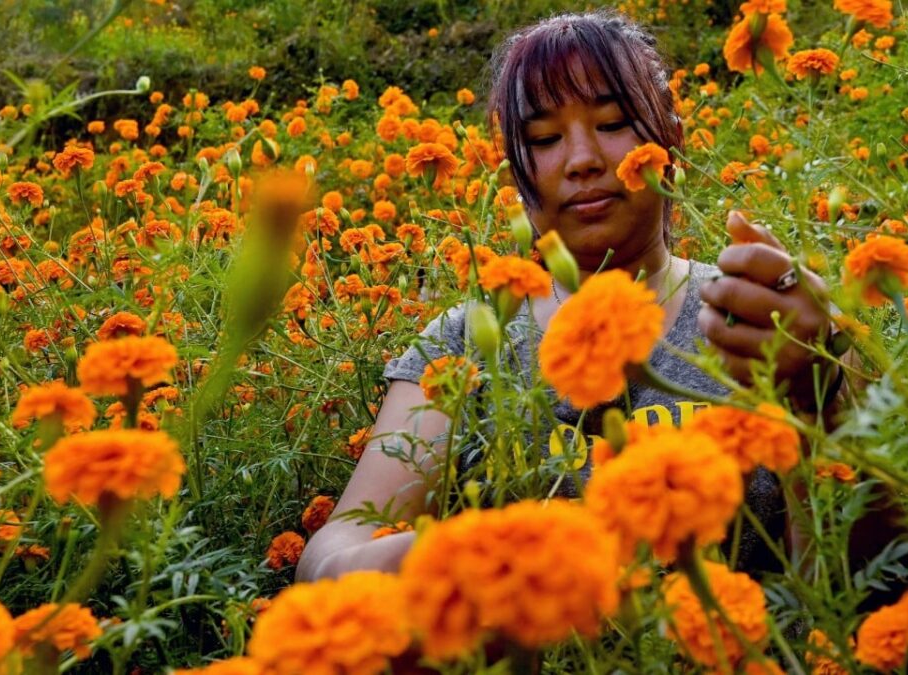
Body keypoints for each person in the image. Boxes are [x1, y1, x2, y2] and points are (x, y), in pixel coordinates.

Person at [296, 11, 839, 583]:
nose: (582, 159)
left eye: (611, 123)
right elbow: (337, 541)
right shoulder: (466, 344)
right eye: (545, 138)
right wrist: (386, 563)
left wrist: (822, 392)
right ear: (516, 170)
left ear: (670, 139)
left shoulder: (761, 313)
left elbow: (857, 570)